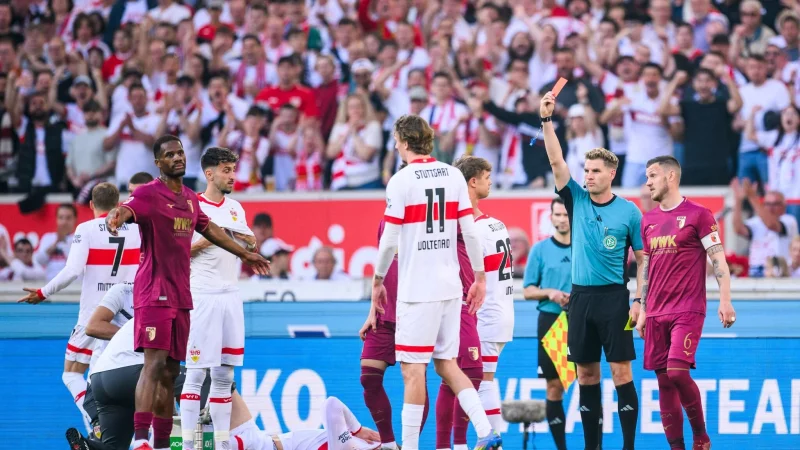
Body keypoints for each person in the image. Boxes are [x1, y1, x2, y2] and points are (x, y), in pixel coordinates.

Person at [103, 135, 270, 450]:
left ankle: (171, 444)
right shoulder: (150, 194)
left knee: (173, 372)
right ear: (159, 162)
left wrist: (247, 254)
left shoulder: (192, 200)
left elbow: (213, 230)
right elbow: (128, 209)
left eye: (181, 152)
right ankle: (143, 440)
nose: (178, 157)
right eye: (170, 154)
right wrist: (117, 217)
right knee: (159, 365)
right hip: (160, 291)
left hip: (188, 297)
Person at [370, 114, 501, 450]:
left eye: (397, 140)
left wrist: (378, 280)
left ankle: (410, 447)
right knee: (447, 364)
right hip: (450, 286)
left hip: (418, 289)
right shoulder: (453, 175)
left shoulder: (400, 181)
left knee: (413, 371)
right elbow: (469, 230)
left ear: (402, 140)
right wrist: (481, 277)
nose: (396, 145)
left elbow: (389, 241)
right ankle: (486, 431)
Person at [540, 92, 645, 450]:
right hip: (580, 300)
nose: (588, 176)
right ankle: (592, 447)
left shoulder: (630, 212)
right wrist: (547, 121)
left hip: (616, 300)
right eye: (585, 170)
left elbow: (643, 260)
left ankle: (628, 446)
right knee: (586, 375)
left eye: (595, 171)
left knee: (621, 373)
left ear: (611, 174)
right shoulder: (576, 198)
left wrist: (639, 300)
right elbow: (556, 160)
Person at [18, 183, 142, 432]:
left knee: (72, 374)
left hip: (93, 317)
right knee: (128, 379)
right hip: (128, 317)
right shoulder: (137, 231)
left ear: (91, 205)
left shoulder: (85, 229)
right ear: (118, 203)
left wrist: (43, 293)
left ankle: (96, 420)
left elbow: (73, 270)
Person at [636, 156, 736, 450]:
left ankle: (701, 437)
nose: (648, 182)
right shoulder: (648, 220)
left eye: (652, 175)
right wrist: (641, 308)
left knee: (678, 372)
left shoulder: (699, 214)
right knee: (664, 382)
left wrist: (726, 300)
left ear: (670, 177)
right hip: (655, 311)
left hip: (687, 310)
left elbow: (719, 259)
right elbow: (646, 267)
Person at [180, 147, 257, 450]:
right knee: (196, 373)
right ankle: (187, 445)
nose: (232, 176)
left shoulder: (236, 207)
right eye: (226, 170)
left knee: (224, 374)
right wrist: (213, 235)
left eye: (233, 169)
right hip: (202, 296)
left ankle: (222, 444)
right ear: (209, 174)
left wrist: (249, 239)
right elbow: (180, 252)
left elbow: (248, 241)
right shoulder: (190, 206)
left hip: (230, 297)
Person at [452, 156, 514, 433]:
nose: (490, 182)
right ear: (473, 181)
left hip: (485, 314)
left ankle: (492, 439)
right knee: (483, 379)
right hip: (500, 310)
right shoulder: (496, 224)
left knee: (481, 381)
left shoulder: (470, 229)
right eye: (487, 177)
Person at [359, 217, 428, 450]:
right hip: (384, 313)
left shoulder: (427, 220)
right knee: (368, 377)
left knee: (415, 379)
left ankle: (410, 445)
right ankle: (389, 444)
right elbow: (382, 268)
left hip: (416, 312)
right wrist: (372, 310)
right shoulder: (385, 221)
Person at [522, 197, 572, 450]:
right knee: (553, 387)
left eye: (566, 215)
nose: (562, 219)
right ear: (551, 217)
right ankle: (561, 448)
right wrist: (550, 292)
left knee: (588, 381)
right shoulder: (540, 250)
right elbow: (528, 290)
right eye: (558, 215)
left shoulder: (585, 248)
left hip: (581, 321)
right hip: (552, 321)